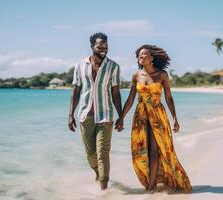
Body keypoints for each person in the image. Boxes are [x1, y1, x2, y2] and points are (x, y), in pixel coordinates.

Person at [115, 44, 192, 193]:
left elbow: (168, 97)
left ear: (151, 58)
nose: (141, 57)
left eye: (144, 54)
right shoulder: (136, 76)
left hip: (157, 115)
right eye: (139, 55)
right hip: (141, 116)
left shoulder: (162, 75)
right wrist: (122, 117)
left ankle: (151, 186)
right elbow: (131, 99)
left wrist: (175, 118)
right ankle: (151, 182)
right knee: (140, 151)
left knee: (156, 151)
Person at [68, 32, 122, 190]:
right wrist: (70, 115)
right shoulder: (79, 66)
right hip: (85, 115)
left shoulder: (113, 66)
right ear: (92, 46)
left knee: (103, 152)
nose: (104, 48)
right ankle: (98, 173)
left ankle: (104, 189)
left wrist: (121, 116)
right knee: (90, 154)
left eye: (106, 45)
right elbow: (76, 91)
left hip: (106, 115)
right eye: (100, 45)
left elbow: (116, 93)